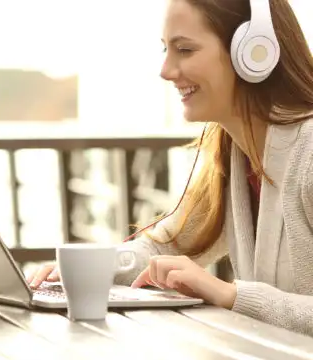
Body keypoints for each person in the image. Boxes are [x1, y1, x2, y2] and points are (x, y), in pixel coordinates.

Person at [27, 0, 313, 336]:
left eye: (185, 49)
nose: (165, 69)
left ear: (254, 52)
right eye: (166, 49)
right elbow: (167, 245)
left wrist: (230, 294)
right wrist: (88, 270)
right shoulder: (234, 152)